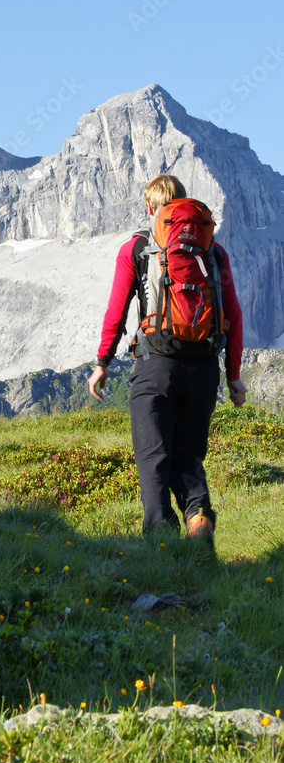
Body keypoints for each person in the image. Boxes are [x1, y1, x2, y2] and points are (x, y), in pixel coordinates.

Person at [88, 174, 247, 541]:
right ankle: (198, 517)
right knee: (188, 454)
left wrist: (102, 363)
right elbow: (233, 315)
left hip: (154, 365)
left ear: (150, 208)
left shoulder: (137, 248)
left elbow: (116, 311)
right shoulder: (212, 251)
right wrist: (233, 376)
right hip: (204, 367)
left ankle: (160, 539)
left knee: (152, 456)